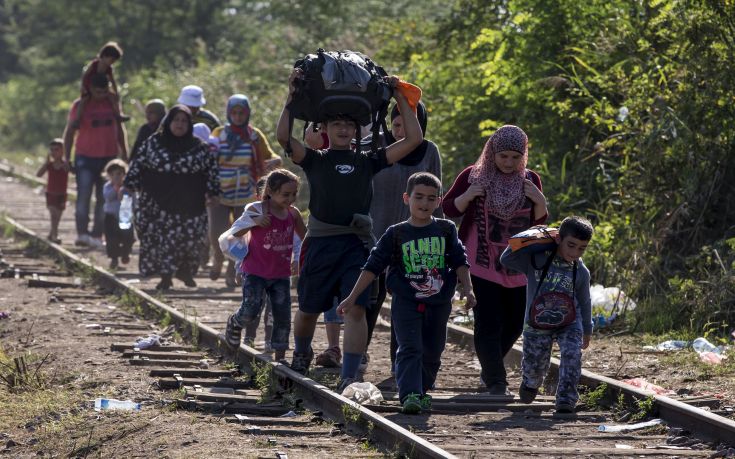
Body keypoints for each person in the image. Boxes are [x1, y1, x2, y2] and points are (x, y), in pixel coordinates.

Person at [276, 67, 423, 389]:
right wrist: (292, 96)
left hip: (356, 246)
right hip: (320, 244)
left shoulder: (369, 160)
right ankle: (301, 353)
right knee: (309, 308)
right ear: (325, 127)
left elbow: (414, 139)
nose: (343, 129)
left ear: (357, 130)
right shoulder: (314, 159)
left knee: (355, 308)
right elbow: (284, 138)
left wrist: (400, 96)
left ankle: (349, 374)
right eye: (336, 123)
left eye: (349, 124)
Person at [338, 172, 476, 413]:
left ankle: (421, 388)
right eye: (419, 197)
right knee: (410, 347)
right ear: (406, 198)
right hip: (406, 301)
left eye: (431, 198)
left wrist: (468, 288)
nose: (424, 203)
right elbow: (372, 267)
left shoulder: (445, 230)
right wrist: (351, 298)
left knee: (433, 350)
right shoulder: (396, 233)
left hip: (439, 301)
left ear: (439, 201)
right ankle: (410, 394)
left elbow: (460, 260)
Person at [442, 125, 548, 395]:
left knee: (514, 322)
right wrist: (468, 196)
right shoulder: (473, 175)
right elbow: (448, 207)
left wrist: (540, 202)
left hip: (517, 266)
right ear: (492, 152)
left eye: (515, 157)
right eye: (503, 157)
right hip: (480, 264)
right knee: (488, 321)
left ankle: (490, 368)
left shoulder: (530, 180)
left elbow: (538, 222)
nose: (509, 163)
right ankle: (496, 381)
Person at [362, 100, 443, 374]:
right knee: (370, 297)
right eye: (396, 124)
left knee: (406, 302)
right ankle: (359, 351)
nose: (401, 131)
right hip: (374, 235)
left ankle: (401, 364)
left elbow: (436, 195)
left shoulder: (429, 151)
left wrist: (439, 236)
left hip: (414, 240)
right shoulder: (374, 147)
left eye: (408, 125)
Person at [499, 216, 593, 413]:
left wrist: (587, 329)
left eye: (581, 248)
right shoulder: (537, 259)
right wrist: (531, 237)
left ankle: (566, 399)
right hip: (537, 321)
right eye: (571, 245)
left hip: (569, 321)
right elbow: (506, 258)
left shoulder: (581, 271)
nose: (575, 252)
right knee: (535, 365)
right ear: (559, 238)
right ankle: (531, 383)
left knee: (572, 355)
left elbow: (585, 301)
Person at [123, 104, 220, 290]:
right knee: (163, 238)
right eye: (176, 120)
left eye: (184, 121)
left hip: (190, 201)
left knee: (190, 240)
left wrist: (213, 193)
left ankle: (185, 271)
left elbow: (212, 171)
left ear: (189, 124)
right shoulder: (153, 142)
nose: (180, 124)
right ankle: (165, 277)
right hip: (157, 200)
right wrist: (129, 186)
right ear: (168, 122)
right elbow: (139, 163)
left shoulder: (200, 148)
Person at [224, 169, 307, 361]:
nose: (291, 199)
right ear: (270, 191)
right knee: (251, 309)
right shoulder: (256, 209)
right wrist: (255, 222)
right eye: (285, 194)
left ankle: (280, 356)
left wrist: (298, 259)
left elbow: (304, 237)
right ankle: (235, 322)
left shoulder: (293, 214)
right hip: (255, 271)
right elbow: (235, 233)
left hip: (280, 273)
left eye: (294, 194)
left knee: (282, 315)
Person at [209, 94, 281, 287]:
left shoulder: (254, 134)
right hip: (220, 190)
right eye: (234, 112)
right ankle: (217, 256)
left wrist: (274, 160)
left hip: (246, 191)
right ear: (228, 113)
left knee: (241, 233)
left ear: (247, 113)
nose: (238, 116)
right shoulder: (218, 133)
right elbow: (208, 154)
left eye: (242, 113)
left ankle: (231, 270)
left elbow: (270, 154)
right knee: (216, 229)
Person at [63, 72, 128, 249]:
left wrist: (125, 153)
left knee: (104, 198)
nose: (101, 95)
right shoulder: (80, 106)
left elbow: (120, 129)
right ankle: (82, 234)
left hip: (108, 158)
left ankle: (97, 234)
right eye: (98, 92)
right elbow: (69, 132)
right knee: (83, 196)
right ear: (91, 90)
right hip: (85, 157)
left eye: (104, 91)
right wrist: (66, 157)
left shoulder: (112, 103)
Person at [74, 41, 128, 127]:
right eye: (111, 60)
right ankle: (77, 120)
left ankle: (118, 115)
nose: (112, 62)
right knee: (83, 101)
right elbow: (85, 75)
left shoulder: (109, 68)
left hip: (102, 87)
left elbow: (112, 80)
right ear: (104, 56)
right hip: (89, 86)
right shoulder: (95, 64)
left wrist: (116, 92)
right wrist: (83, 87)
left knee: (113, 98)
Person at [102, 159, 135, 269]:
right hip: (111, 216)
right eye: (113, 174)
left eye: (119, 174)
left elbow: (134, 199)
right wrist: (116, 189)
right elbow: (108, 197)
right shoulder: (108, 186)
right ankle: (114, 258)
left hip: (125, 216)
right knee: (112, 239)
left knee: (128, 237)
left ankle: (125, 253)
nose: (116, 177)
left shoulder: (128, 187)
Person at [36, 138, 70, 244]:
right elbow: (38, 174)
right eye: (52, 150)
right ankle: (55, 235)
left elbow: (73, 172)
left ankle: (51, 233)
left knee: (58, 216)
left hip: (62, 194)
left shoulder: (66, 165)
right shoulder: (49, 165)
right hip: (51, 193)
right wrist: (45, 164)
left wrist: (69, 165)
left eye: (56, 150)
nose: (54, 152)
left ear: (62, 151)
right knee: (53, 215)